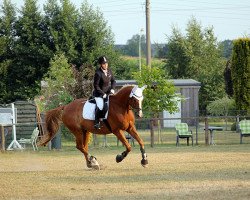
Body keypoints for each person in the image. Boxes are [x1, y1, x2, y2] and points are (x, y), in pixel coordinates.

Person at [93, 56, 116, 129]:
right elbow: (96, 85)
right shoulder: (98, 73)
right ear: (101, 65)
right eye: (104, 64)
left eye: (106, 63)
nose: (106, 65)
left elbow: (113, 81)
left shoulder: (109, 71)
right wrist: (103, 94)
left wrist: (112, 88)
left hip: (108, 92)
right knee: (101, 106)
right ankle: (96, 122)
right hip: (99, 93)